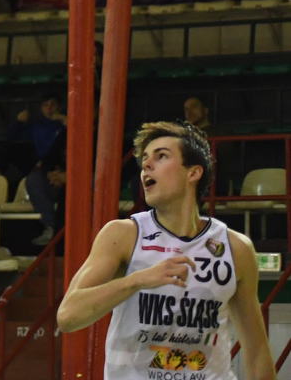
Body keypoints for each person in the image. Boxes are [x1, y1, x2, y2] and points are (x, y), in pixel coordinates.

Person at [57, 120, 273, 380]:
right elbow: (68, 316)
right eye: (145, 159)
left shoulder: (236, 248)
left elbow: (257, 350)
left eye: (161, 156)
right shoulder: (123, 235)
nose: (147, 165)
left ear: (193, 173)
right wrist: (137, 280)